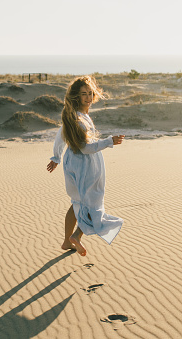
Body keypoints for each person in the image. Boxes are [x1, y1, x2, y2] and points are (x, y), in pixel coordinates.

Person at [47, 75, 124, 256]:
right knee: (92, 203)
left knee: (77, 203)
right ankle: (76, 236)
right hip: (85, 165)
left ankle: (67, 241)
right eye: (84, 94)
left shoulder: (73, 116)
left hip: (72, 163)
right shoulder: (79, 119)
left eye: (90, 93)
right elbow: (86, 148)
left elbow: (60, 136)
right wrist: (108, 141)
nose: (88, 98)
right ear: (76, 96)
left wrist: (56, 157)